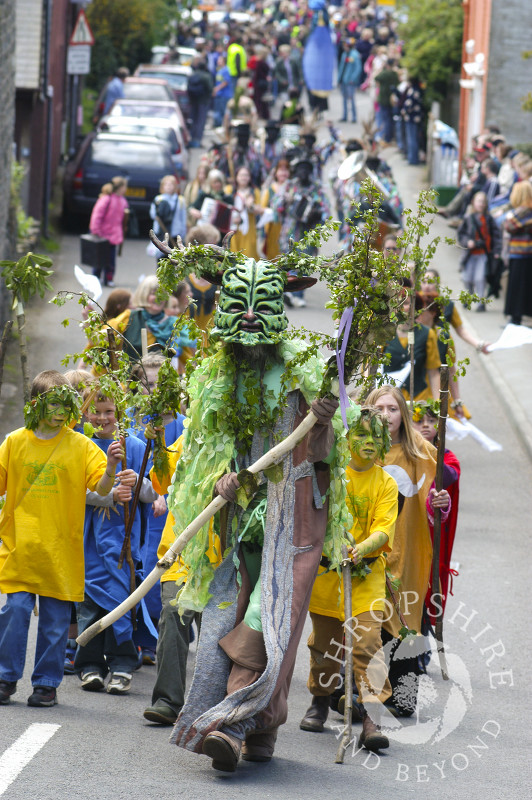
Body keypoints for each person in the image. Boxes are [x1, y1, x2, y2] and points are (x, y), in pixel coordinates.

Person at [167, 255, 343, 772]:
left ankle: (234, 726)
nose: (246, 324)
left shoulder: (302, 371)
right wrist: (220, 475)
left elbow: (325, 455)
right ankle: (257, 730)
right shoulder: (217, 376)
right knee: (227, 614)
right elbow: (207, 446)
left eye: (257, 310)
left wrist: (323, 422)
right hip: (240, 518)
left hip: (293, 522)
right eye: (236, 310)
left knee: (270, 619)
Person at [0, 370, 124, 707]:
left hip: (61, 551)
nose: (58, 411)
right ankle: (5, 677)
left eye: (64, 403)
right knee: (15, 611)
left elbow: (101, 489)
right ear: (36, 404)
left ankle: (45, 684)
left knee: (55, 624)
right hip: (20, 548)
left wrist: (111, 466)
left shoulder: (81, 445)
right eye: (51, 402)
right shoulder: (14, 442)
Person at [300, 405, 397, 753]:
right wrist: (333, 543)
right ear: (347, 437)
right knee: (324, 647)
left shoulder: (385, 482)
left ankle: (371, 716)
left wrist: (360, 549)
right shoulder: (331, 474)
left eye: (375, 436)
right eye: (361, 434)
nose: (368, 442)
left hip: (367, 577)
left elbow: (385, 530)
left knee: (367, 644)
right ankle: (320, 700)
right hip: (329, 576)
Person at [364, 385, 448, 715]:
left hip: (410, 549)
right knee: (368, 618)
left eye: (393, 409)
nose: (386, 416)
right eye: (379, 409)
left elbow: (435, 498)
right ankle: (361, 693)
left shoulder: (422, 453)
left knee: (407, 618)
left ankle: (404, 692)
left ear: (403, 413)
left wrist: (441, 502)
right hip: (371, 547)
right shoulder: (361, 450)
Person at [74, 389, 158, 694]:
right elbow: (75, 491)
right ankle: (91, 665)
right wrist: (108, 497)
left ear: (118, 415)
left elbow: (154, 492)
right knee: (91, 599)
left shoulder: (134, 446)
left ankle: (123, 663)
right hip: (88, 538)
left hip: (123, 539)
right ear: (84, 413)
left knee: (122, 596)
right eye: (95, 412)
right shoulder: (80, 446)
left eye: (109, 412)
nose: (102, 418)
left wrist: (137, 484)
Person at [143, 436, 221, 725]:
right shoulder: (187, 439)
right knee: (173, 612)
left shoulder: (240, 439)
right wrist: (159, 440)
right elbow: (161, 484)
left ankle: (214, 705)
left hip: (223, 558)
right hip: (181, 554)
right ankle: (167, 701)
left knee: (217, 631)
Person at [411, 400, 459, 624]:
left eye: (432, 421)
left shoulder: (447, 457)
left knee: (424, 591)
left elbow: (449, 475)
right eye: (419, 421)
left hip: (430, 537)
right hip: (406, 528)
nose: (426, 425)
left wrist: (424, 448)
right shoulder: (402, 453)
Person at [106, 275, 195, 366]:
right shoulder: (129, 316)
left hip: (160, 379)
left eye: (162, 293)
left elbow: (188, 359)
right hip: (130, 378)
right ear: (144, 295)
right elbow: (103, 335)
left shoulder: (174, 324)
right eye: (154, 293)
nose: (159, 297)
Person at [457, 191, 501, 311]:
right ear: (473, 203)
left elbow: (496, 236)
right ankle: (468, 296)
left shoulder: (489, 219)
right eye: (479, 201)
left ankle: (481, 302)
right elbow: (461, 234)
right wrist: (468, 242)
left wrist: (496, 251)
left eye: (483, 202)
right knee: (467, 278)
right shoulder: (468, 218)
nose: (481, 204)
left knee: (480, 278)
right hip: (470, 254)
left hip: (483, 253)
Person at [89, 177, 129, 287]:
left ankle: (108, 278)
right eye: (125, 187)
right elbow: (97, 215)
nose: (125, 189)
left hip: (114, 235)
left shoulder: (122, 200)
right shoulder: (106, 199)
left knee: (111, 260)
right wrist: (95, 230)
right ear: (120, 187)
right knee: (99, 259)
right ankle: (95, 278)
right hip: (102, 234)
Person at [503, 180, 532, 325]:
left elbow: (509, 225)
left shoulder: (524, 211)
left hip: (522, 253)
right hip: (522, 253)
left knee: (518, 287)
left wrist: (508, 219)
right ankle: (516, 317)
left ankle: (515, 318)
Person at [230, 165, 267, 259]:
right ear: (236, 177)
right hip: (232, 227)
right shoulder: (229, 190)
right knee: (232, 253)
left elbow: (260, 210)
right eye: (241, 175)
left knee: (248, 254)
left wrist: (250, 205)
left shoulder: (255, 192)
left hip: (249, 229)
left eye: (246, 175)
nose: (244, 177)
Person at [149, 175, 187, 256]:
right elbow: (153, 215)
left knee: (174, 257)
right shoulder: (158, 199)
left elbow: (183, 217)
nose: (169, 187)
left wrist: (183, 233)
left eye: (171, 184)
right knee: (161, 258)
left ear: (175, 186)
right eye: (166, 184)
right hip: (161, 232)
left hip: (175, 233)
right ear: (162, 186)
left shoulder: (180, 200)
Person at [261, 159, 290, 260]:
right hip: (273, 227)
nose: (283, 173)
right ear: (276, 172)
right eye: (281, 170)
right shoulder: (270, 189)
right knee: (273, 256)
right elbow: (263, 207)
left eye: (286, 170)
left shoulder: (291, 188)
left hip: (288, 228)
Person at [187, 58, 214, 148]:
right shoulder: (206, 76)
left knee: (193, 120)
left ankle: (191, 138)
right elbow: (210, 89)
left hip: (193, 101)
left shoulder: (192, 75)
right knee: (200, 121)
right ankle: (197, 140)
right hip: (203, 101)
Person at [338, 39, 362, 123]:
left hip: (350, 81)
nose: (344, 47)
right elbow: (341, 67)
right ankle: (345, 116)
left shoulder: (355, 55)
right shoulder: (344, 54)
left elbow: (358, 68)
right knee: (344, 99)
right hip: (343, 80)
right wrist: (339, 79)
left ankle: (354, 117)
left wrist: (353, 79)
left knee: (351, 99)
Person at [212, 54, 233, 129]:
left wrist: (216, 89)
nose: (218, 61)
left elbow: (226, 82)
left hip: (224, 95)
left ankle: (225, 126)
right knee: (218, 111)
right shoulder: (219, 70)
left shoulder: (226, 70)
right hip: (219, 95)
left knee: (224, 112)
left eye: (220, 60)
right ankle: (218, 125)